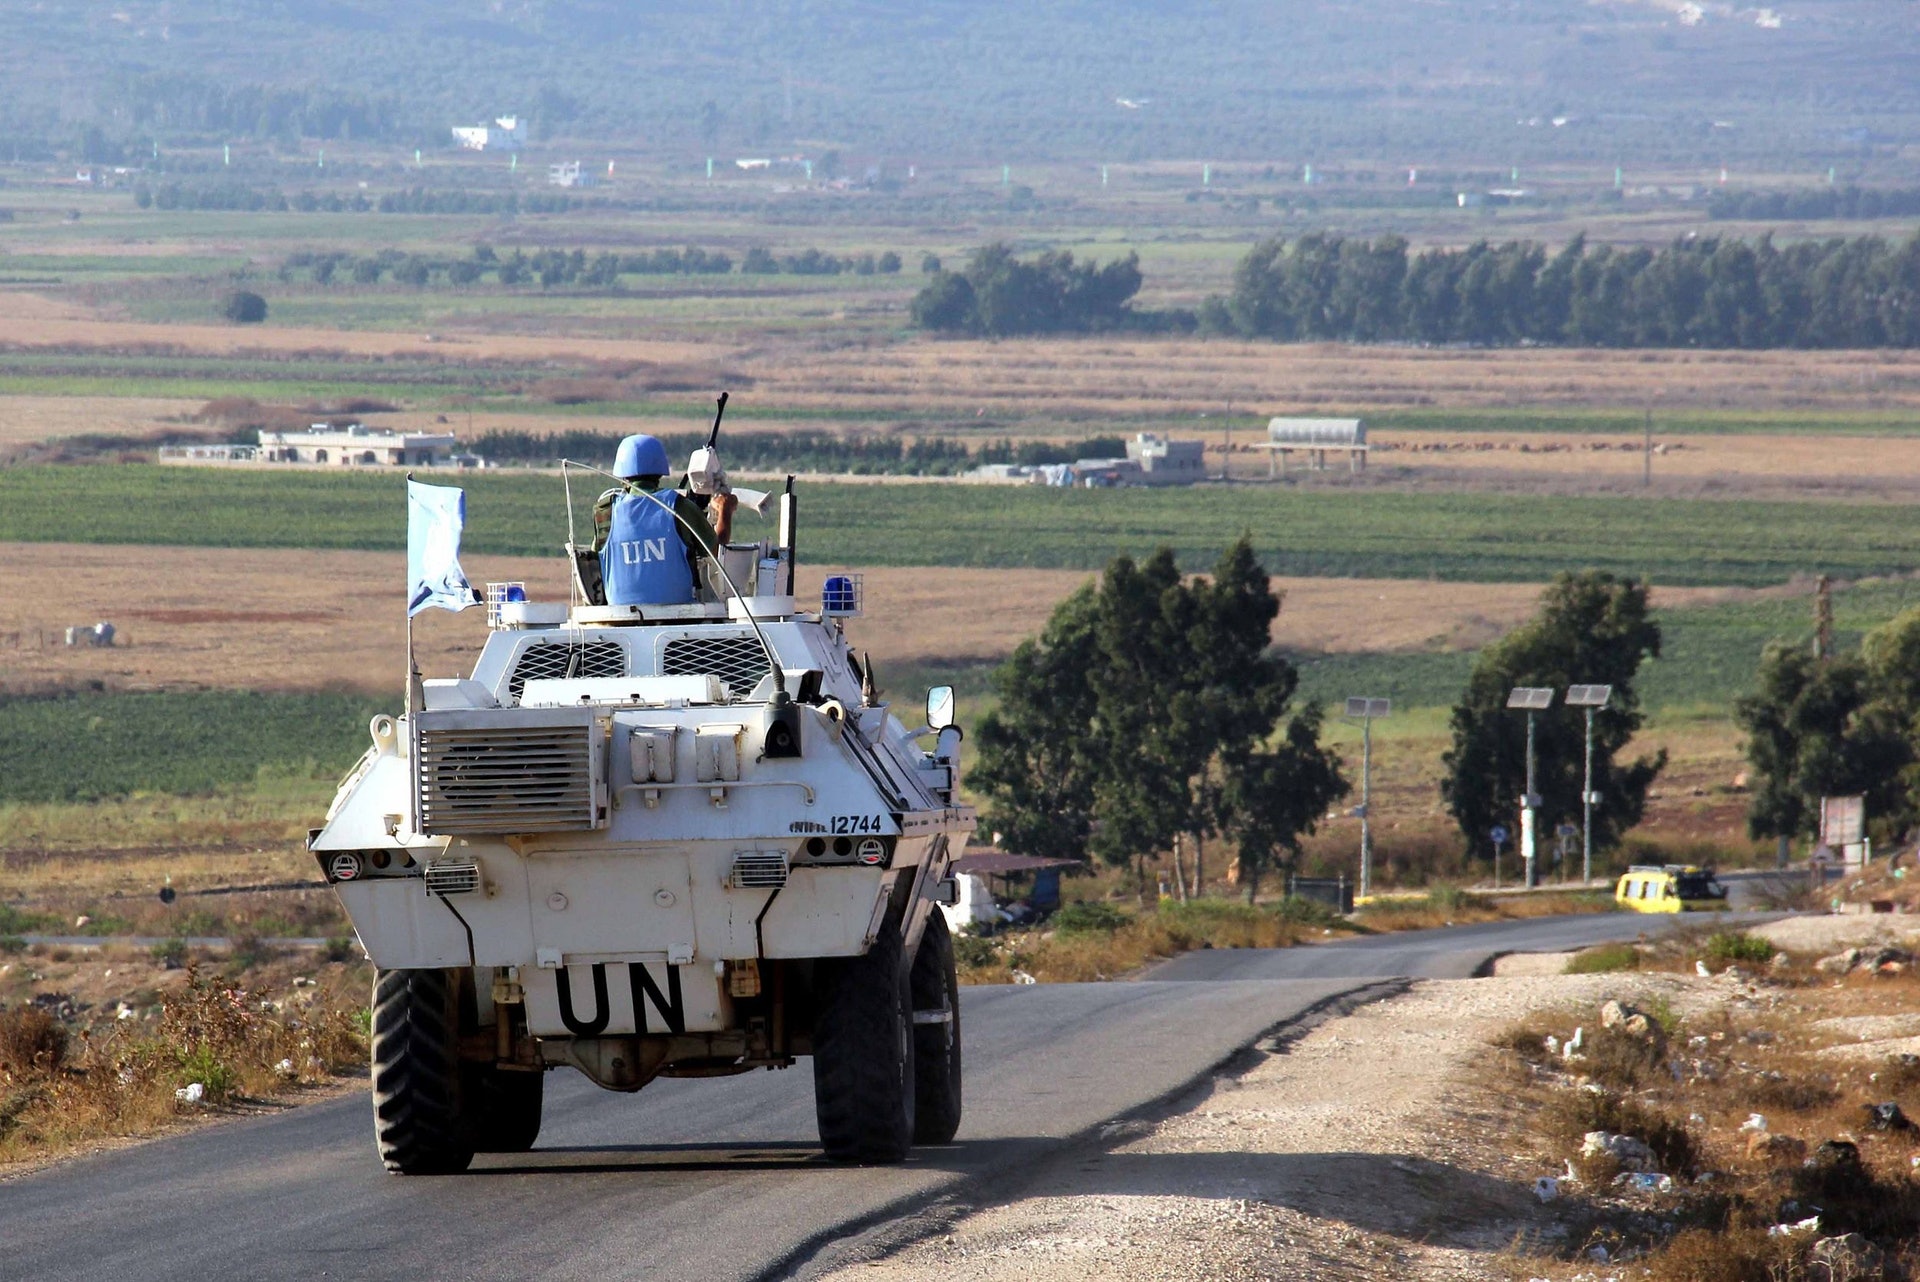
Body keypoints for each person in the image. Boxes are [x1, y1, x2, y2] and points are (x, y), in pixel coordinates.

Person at [595, 434, 720, 606]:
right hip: (679, 614)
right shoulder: (679, 507)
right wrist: (725, 511)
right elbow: (716, 552)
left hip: (619, 614)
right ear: (659, 472)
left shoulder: (605, 512)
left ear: (623, 475)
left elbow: (595, 554)